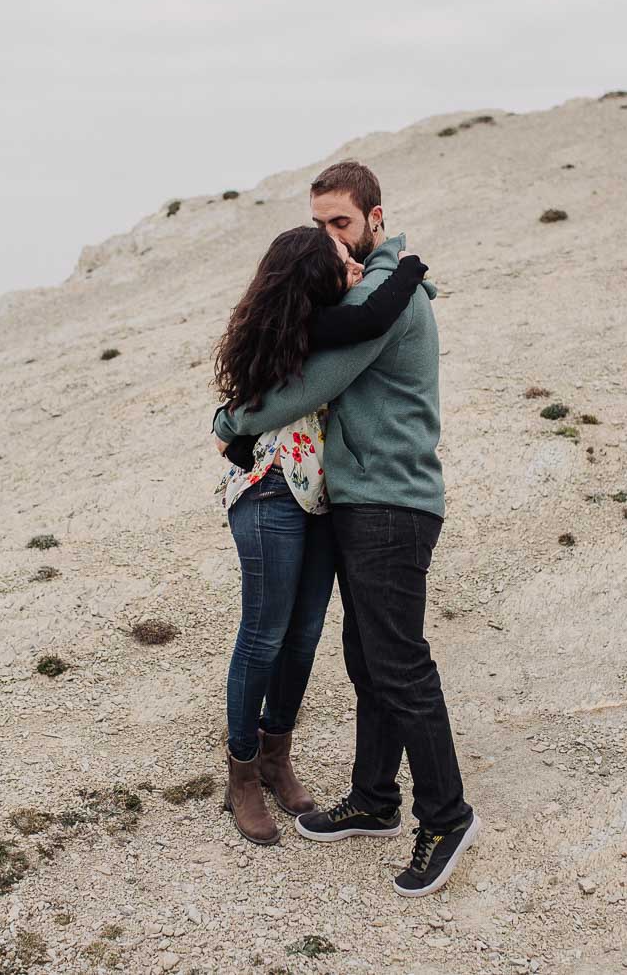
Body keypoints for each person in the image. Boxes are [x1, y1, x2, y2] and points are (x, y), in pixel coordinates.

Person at [211, 159, 479, 898]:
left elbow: (315, 383)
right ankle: (374, 796)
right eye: (321, 223)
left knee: (398, 664)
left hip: (392, 503)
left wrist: (229, 421)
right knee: (368, 660)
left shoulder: (382, 298)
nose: (332, 237)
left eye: (343, 223)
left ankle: (445, 815)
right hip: (368, 499)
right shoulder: (374, 286)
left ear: (376, 219)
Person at [211, 223, 428, 847]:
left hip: (322, 494)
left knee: (304, 634)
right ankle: (243, 773)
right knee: (265, 632)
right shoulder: (303, 321)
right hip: (274, 487)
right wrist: (409, 268)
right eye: (340, 257)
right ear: (312, 273)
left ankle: (277, 758)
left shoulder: (327, 313)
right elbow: (368, 323)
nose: (354, 264)